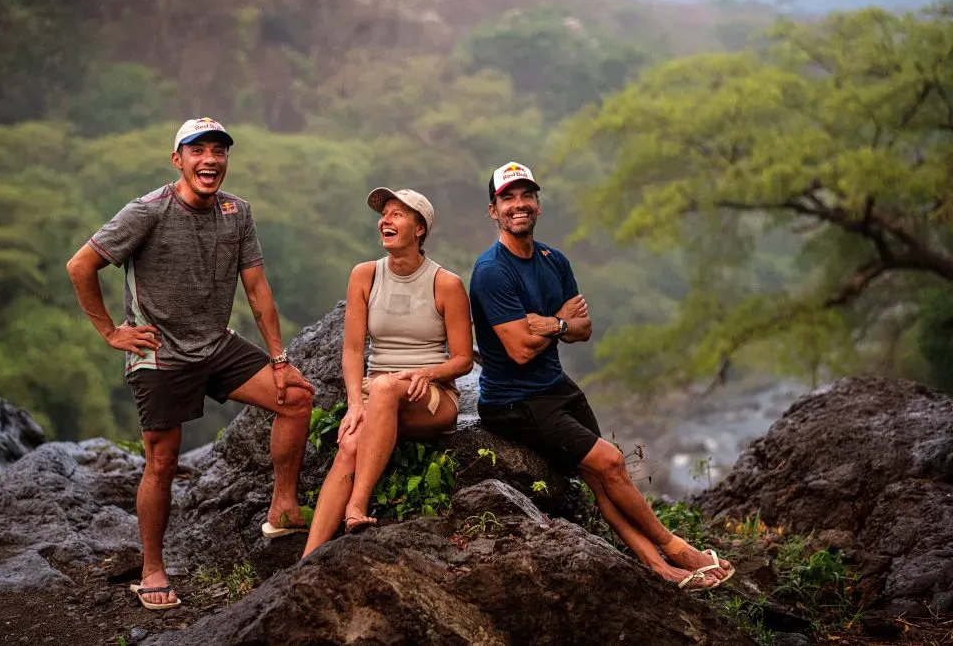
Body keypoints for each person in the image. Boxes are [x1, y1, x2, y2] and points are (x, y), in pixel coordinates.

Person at [66, 118, 315, 610]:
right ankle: (153, 569)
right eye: (197, 150)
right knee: (162, 461)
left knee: (297, 397)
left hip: (216, 344)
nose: (210, 160)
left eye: (218, 151)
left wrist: (280, 358)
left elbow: (257, 288)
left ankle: (283, 507)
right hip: (159, 352)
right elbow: (81, 265)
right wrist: (111, 332)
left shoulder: (235, 212)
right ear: (177, 159)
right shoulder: (148, 212)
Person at [468, 161, 735, 591]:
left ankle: (659, 569)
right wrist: (559, 323)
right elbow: (518, 350)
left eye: (526, 195)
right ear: (493, 210)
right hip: (514, 400)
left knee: (604, 475)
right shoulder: (491, 272)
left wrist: (545, 324)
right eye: (508, 198)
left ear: (537, 203)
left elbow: (584, 331)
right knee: (610, 460)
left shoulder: (555, 261)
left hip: (555, 385)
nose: (519, 205)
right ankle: (677, 549)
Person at [301, 188, 474, 557]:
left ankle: (356, 505)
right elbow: (352, 349)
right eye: (385, 214)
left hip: (431, 397)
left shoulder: (446, 284)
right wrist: (353, 405)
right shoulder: (365, 275)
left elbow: (463, 361)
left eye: (398, 214)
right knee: (348, 443)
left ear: (420, 229)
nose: (386, 220)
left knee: (382, 388)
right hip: (377, 391)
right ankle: (306, 560)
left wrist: (425, 373)